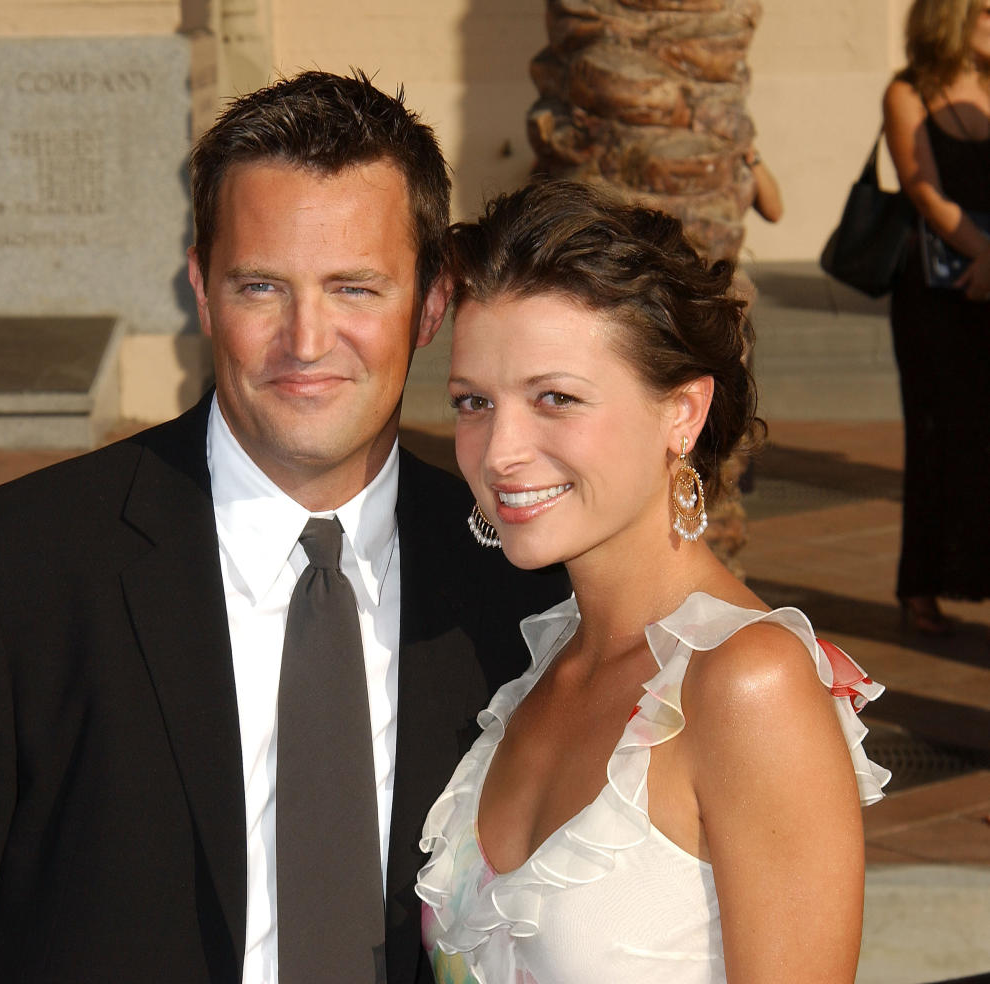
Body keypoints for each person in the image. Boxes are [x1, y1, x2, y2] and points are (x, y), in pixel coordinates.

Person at [0, 71, 569, 984]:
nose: (306, 340)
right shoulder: (5, 579)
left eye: (355, 289)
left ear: (432, 303)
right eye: (261, 286)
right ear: (202, 288)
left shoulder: (520, 583)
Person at [414, 180, 890, 983]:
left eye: (555, 398)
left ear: (683, 414)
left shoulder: (748, 685)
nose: (499, 453)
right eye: (473, 402)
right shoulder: (538, 657)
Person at [883, 0, 990, 633]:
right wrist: (985, 254)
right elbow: (923, 191)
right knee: (936, 433)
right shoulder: (909, 90)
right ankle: (921, 584)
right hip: (935, 292)